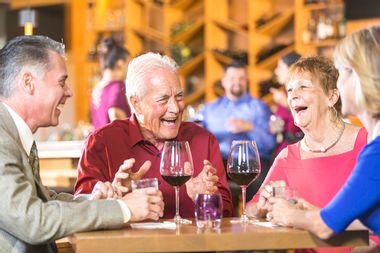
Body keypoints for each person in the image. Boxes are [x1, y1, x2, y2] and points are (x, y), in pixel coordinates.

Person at [0, 36, 164, 253]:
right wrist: (123, 209)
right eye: (61, 81)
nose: (69, 91)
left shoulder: (13, 134)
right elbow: (34, 220)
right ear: (28, 82)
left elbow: (46, 200)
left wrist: (99, 201)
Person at [75, 52, 234, 218]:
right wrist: (115, 201)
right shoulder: (101, 142)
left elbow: (227, 215)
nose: (175, 108)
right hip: (130, 244)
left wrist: (204, 200)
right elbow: (83, 213)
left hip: (192, 244)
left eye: (179, 96)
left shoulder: (203, 140)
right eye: (163, 99)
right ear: (136, 104)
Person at [266, 26, 380, 248]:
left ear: (361, 79)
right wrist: (314, 212)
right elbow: (367, 224)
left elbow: (325, 226)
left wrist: (288, 214)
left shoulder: (375, 153)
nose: (337, 82)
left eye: (343, 72)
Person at [248, 56, 368, 253]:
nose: (293, 95)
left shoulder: (367, 143)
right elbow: (250, 210)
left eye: (303, 86)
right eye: (289, 90)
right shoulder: (288, 156)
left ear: (332, 96)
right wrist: (263, 206)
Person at [201, 61, 276, 203]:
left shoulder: (259, 107)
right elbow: (200, 138)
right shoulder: (209, 109)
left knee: (262, 181)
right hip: (219, 161)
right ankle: (213, 218)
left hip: (251, 161)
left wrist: (251, 127)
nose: (237, 82)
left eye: (241, 78)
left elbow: (270, 143)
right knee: (203, 176)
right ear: (223, 81)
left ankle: (253, 217)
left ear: (246, 81)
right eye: (232, 78)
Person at [91, 37, 131, 129]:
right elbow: (115, 113)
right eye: (128, 63)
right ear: (120, 64)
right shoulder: (118, 87)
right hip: (115, 143)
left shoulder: (97, 88)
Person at [269, 51, 303, 155]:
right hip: (283, 150)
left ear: (291, 70)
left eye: (279, 67)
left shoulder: (302, 93)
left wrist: (285, 103)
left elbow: (302, 124)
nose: (276, 71)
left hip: (299, 151)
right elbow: (279, 126)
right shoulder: (283, 92)